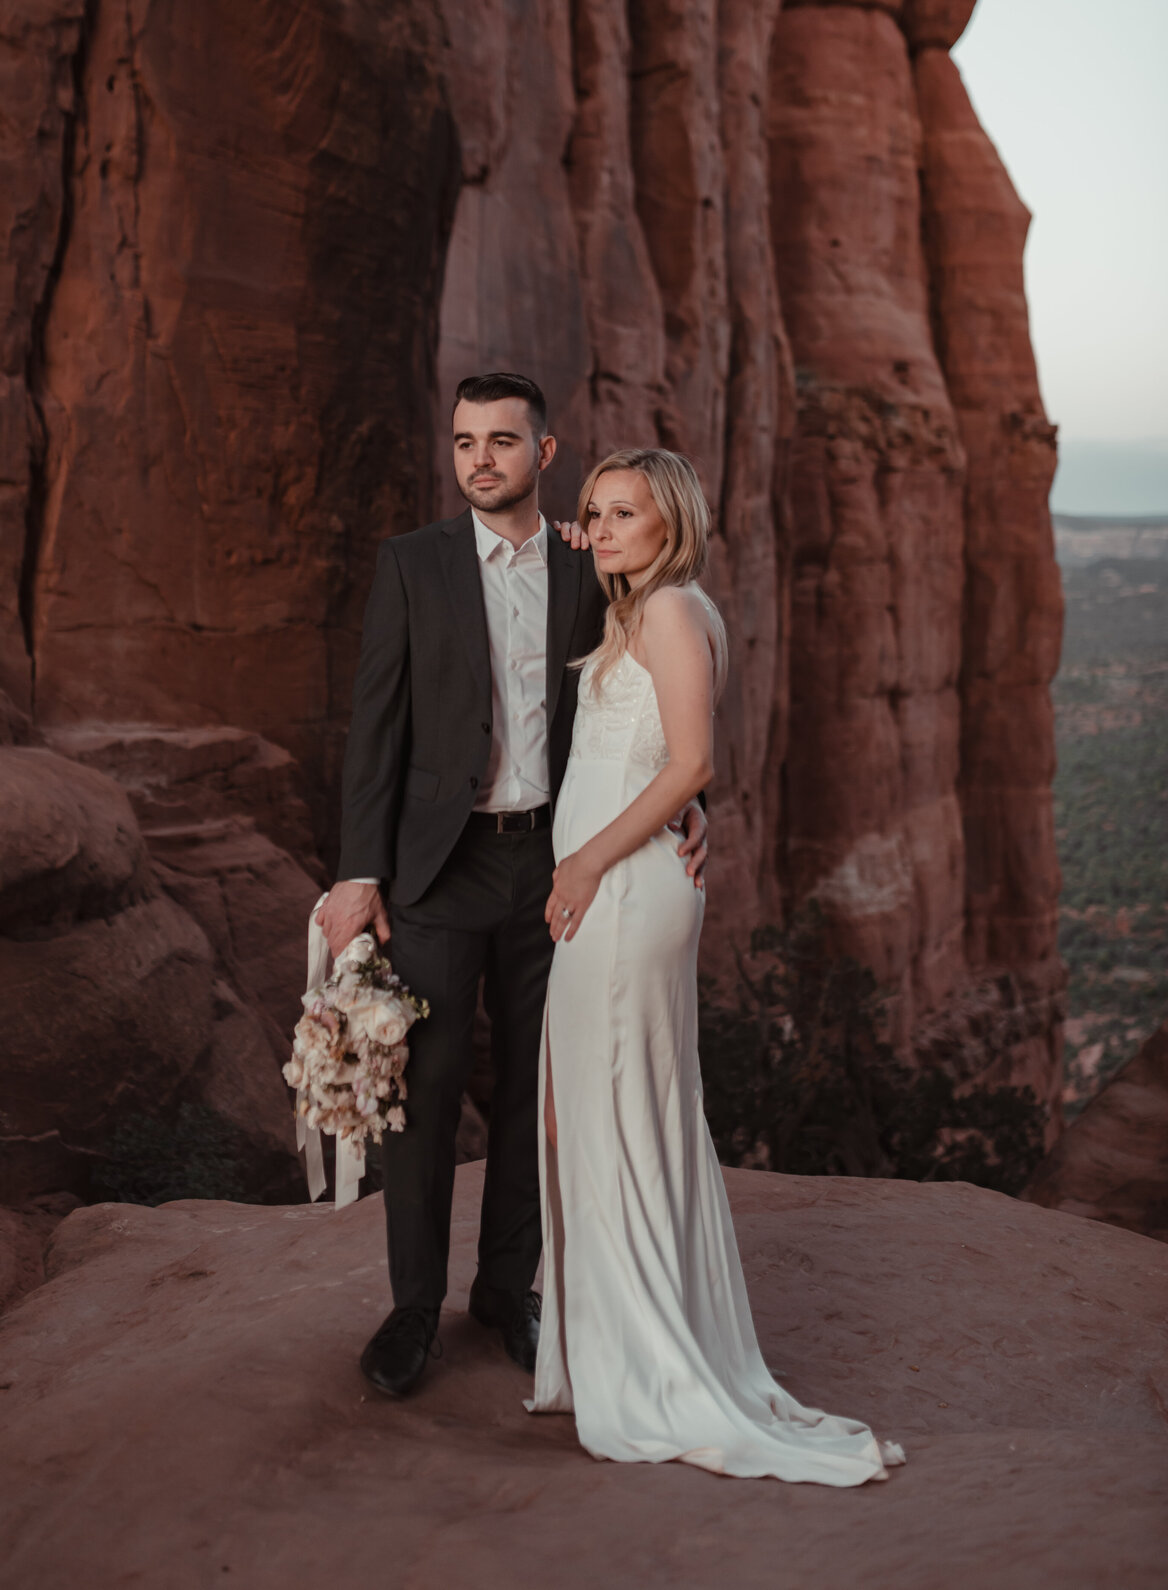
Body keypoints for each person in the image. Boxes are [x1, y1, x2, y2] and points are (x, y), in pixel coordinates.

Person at [317, 374, 708, 1398]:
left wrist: (686, 803)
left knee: (541, 1088)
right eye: (462, 441)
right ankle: (413, 1308)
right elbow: (376, 728)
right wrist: (360, 872)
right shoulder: (411, 565)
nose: (479, 458)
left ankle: (507, 1289)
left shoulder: (594, 567)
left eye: (501, 440)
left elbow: (661, 701)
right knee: (428, 1090)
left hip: (558, 865)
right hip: (439, 868)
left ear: (546, 453)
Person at [527, 448, 906, 1485]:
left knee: (607, 1106)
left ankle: (651, 1361)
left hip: (622, 893)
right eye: (591, 513)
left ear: (672, 522)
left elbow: (694, 761)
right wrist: (578, 539)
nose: (601, 529)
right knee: (596, 1106)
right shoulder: (644, 605)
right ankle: (622, 1336)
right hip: (621, 884)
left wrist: (588, 859)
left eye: (623, 515)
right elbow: (661, 763)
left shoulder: (667, 614)